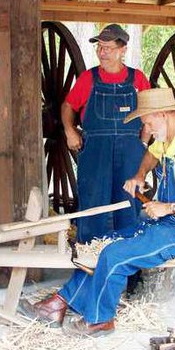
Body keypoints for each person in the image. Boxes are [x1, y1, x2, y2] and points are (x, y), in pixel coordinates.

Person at [20, 88, 175, 336]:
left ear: (163, 114)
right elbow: (151, 154)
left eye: (148, 121)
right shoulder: (167, 138)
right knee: (105, 242)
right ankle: (59, 303)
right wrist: (140, 175)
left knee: (116, 255)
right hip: (167, 222)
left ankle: (100, 320)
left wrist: (168, 207)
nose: (146, 128)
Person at [61, 23, 151, 243]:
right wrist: (69, 130)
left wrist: (143, 144)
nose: (102, 53)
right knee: (93, 205)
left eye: (108, 48)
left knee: (129, 205)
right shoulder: (88, 79)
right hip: (95, 151)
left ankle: (128, 269)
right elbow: (68, 106)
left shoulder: (138, 79)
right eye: (100, 47)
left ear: (123, 50)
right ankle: (89, 262)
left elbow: (149, 114)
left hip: (130, 151)